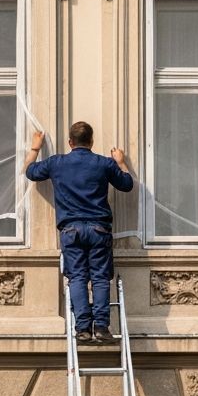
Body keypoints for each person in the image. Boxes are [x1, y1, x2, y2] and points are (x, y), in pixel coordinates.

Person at [24, 121, 134, 345]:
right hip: (98, 229)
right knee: (100, 278)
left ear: (70, 142)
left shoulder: (57, 163)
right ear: (91, 142)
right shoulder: (103, 164)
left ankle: (83, 328)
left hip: (71, 229)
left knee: (77, 277)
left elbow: (29, 172)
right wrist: (121, 162)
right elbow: (127, 184)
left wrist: (35, 147)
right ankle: (102, 327)